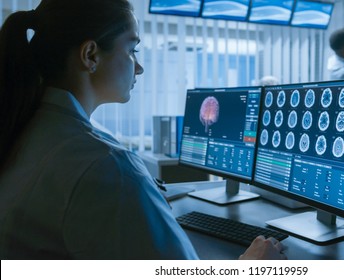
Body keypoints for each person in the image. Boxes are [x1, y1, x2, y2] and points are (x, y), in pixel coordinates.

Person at [0, 0, 286, 260]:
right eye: (132, 49)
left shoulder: (27, 127)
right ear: (90, 55)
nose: (139, 68)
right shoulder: (105, 165)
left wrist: (136, 200)